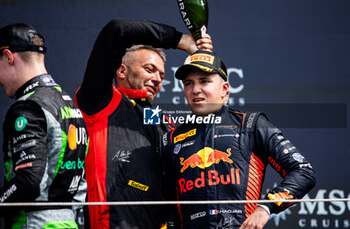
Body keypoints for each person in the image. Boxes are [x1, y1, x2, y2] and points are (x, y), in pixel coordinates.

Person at [74, 19, 212, 229]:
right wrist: (182, 41)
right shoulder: (102, 100)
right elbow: (117, 30)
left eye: (162, 75)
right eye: (150, 69)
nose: (157, 79)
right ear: (121, 72)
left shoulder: (161, 119)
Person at [161, 50, 316, 229]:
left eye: (204, 81)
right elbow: (168, 203)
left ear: (225, 89)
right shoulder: (172, 138)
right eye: (189, 83)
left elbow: (303, 171)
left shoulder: (251, 124)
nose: (195, 90)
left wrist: (266, 207)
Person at [0, 23, 87, 228]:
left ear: (8, 57)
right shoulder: (68, 104)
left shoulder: (28, 107)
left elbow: (28, 181)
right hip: (68, 222)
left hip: (33, 222)